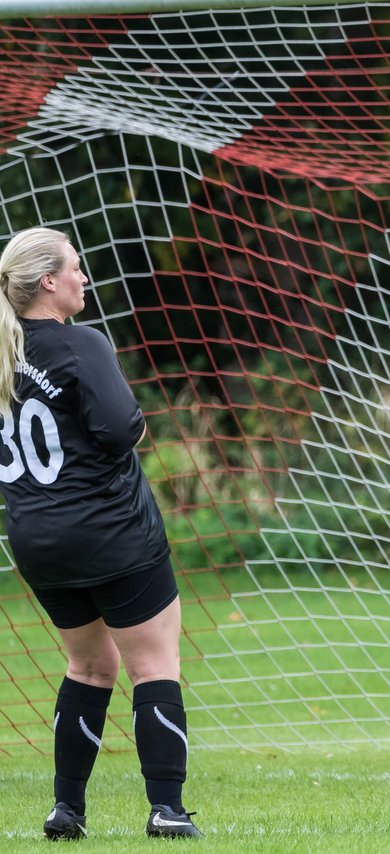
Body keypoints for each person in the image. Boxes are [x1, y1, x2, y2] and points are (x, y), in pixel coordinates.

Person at [0, 227, 200, 840]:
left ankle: (67, 811)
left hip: (35, 538)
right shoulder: (81, 345)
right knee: (154, 662)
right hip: (111, 532)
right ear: (48, 283)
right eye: (77, 268)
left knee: (87, 668)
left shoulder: (2, 356)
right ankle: (166, 809)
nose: (85, 278)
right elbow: (121, 429)